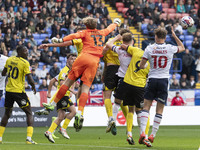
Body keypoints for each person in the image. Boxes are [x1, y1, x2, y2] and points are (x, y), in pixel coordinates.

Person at [42, 17, 121, 133]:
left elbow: (72, 36)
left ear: (87, 25)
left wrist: (60, 40)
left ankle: (52, 104)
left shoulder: (84, 32)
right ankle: (79, 112)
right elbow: (110, 28)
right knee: (85, 88)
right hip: (94, 62)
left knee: (68, 82)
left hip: (82, 58)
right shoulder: (102, 32)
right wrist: (116, 23)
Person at [138, 27, 185, 146]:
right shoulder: (170, 48)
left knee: (146, 107)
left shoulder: (149, 48)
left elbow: (142, 65)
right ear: (165, 37)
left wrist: (144, 64)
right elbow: (182, 47)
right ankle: (152, 134)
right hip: (164, 81)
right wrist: (174, 36)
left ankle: (143, 132)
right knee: (159, 109)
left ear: (155, 36)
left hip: (152, 79)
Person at [0, 45, 37, 144]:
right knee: (29, 113)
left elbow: (3, 73)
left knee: (7, 114)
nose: (27, 52)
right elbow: (29, 78)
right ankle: (29, 139)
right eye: (25, 51)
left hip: (8, 91)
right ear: (19, 52)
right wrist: (33, 86)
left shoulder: (9, 59)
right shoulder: (25, 63)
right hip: (19, 92)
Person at [102, 29, 130, 135]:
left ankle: (110, 118)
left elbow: (102, 53)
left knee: (107, 96)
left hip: (111, 69)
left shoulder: (111, 41)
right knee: (120, 99)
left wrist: (104, 73)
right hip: (122, 71)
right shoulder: (126, 46)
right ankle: (129, 123)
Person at [44, 53, 77, 143]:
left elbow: (72, 81)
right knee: (73, 111)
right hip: (62, 95)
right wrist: (72, 91)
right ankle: (63, 128)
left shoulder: (71, 70)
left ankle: (49, 132)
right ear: (67, 60)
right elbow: (62, 84)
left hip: (62, 95)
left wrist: (72, 89)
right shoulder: (64, 70)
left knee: (61, 116)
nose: (73, 60)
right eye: (71, 59)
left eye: (74, 59)